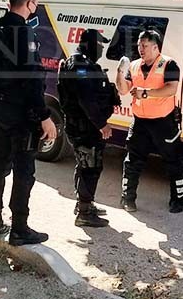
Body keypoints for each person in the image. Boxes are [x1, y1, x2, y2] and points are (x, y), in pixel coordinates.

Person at [0, 0, 57, 246]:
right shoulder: (25, 33)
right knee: (24, 170)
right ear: (29, 3)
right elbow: (32, 79)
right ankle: (19, 227)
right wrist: (44, 116)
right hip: (22, 114)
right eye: (36, 4)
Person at [115, 29, 183, 214]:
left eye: (145, 46)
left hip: (164, 121)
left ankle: (178, 199)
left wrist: (146, 93)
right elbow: (124, 90)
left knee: (173, 160)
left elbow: (171, 89)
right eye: (139, 45)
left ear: (155, 47)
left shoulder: (169, 64)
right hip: (140, 121)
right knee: (132, 160)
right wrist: (119, 72)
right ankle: (128, 198)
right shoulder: (133, 66)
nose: (141, 49)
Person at [57, 29, 120, 227]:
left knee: (85, 165)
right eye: (100, 45)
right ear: (90, 44)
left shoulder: (84, 64)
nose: (102, 49)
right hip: (85, 128)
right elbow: (86, 100)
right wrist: (102, 124)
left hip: (84, 126)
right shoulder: (80, 65)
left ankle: (84, 204)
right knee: (90, 167)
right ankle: (84, 213)